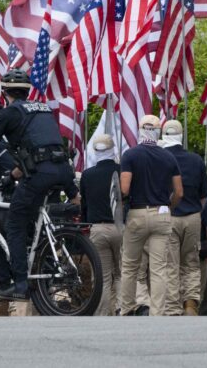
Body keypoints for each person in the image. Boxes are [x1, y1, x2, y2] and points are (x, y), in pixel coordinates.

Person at [0, 69, 78, 301]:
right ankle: (60, 250)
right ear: (27, 90)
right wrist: (11, 177)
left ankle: (20, 284)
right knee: (59, 210)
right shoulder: (43, 109)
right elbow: (36, 152)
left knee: (15, 222)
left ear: (4, 93)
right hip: (63, 169)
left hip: (39, 174)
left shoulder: (8, 113)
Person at [119, 115, 183, 316]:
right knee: (159, 268)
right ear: (158, 132)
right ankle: (157, 313)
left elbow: (124, 189)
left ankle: (127, 308)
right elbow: (179, 192)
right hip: (162, 213)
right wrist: (169, 207)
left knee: (130, 265)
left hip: (137, 213)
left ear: (140, 130)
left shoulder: (130, 155)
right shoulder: (168, 157)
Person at [160, 120, 207, 316]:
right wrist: (196, 211)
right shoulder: (196, 160)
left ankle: (172, 307)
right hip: (193, 217)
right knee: (191, 263)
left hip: (168, 217)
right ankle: (190, 303)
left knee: (171, 264)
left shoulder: (160, 159)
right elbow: (204, 195)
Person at [80, 134, 121, 316]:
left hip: (97, 228)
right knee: (122, 274)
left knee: (102, 277)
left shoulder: (88, 175)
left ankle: (102, 314)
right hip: (120, 226)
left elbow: (84, 205)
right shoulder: (122, 171)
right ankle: (123, 310)